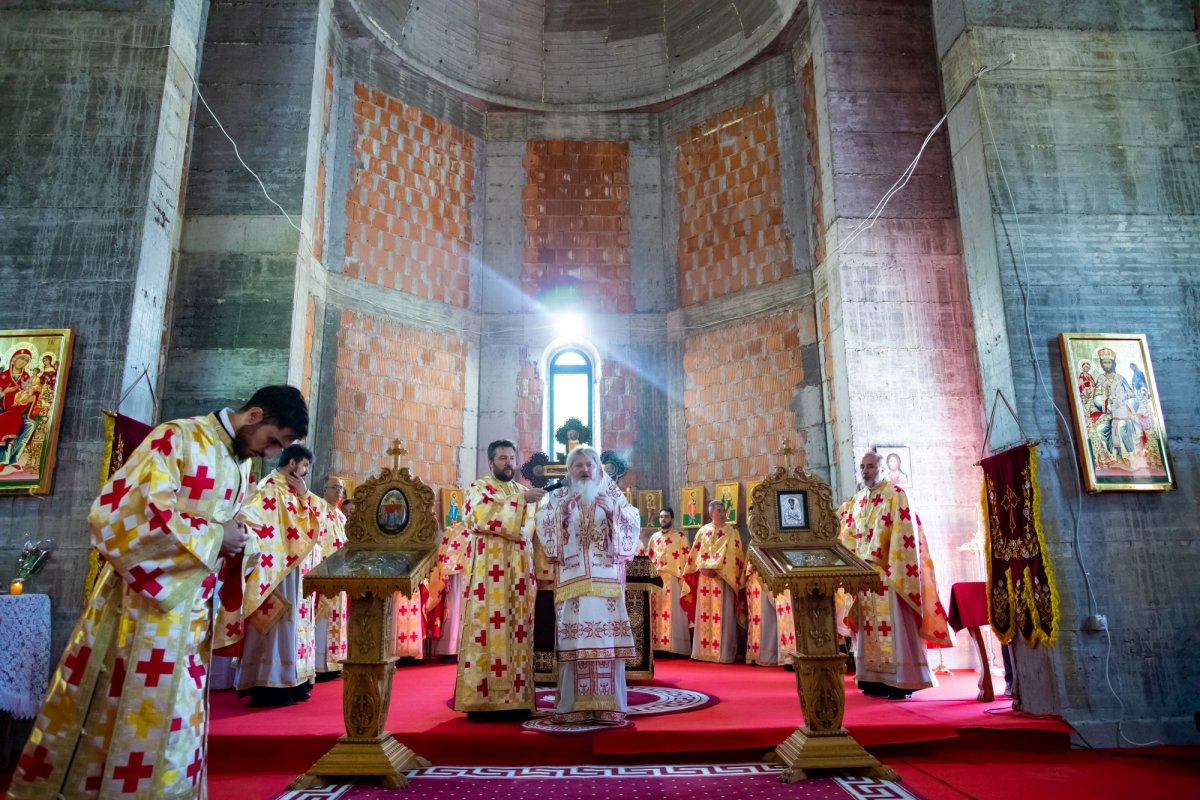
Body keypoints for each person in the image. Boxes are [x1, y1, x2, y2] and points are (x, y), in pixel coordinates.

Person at [11, 385, 307, 800]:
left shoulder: (238, 463)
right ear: (255, 415)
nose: (270, 453)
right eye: (273, 440)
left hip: (194, 617)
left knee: (180, 723)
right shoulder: (178, 438)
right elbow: (119, 513)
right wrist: (215, 536)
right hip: (144, 611)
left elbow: (233, 527)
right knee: (137, 715)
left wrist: (242, 544)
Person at [217, 444, 341, 706]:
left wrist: (305, 494)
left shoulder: (297, 492)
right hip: (277, 573)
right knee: (278, 627)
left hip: (299, 574)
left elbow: (325, 522)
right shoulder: (269, 488)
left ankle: (296, 682)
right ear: (293, 464)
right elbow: (250, 520)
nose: (306, 471)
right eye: (305, 466)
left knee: (296, 628)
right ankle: (271, 685)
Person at [536, 446, 639, 725]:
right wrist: (561, 516)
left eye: (589, 464)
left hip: (606, 583)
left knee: (607, 643)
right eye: (578, 465)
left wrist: (614, 513)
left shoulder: (613, 494)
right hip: (573, 583)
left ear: (598, 468)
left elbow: (633, 521)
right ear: (570, 470)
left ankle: (609, 706)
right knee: (575, 643)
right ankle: (572, 707)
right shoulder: (558, 497)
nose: (584, 470)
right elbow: (542, 525)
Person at [839, 451, 951, 699]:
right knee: (869, 629)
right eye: (862, 466)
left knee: (894, 628)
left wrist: (879, 559)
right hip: (863, 574)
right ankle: (873, 679)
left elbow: (903, 532)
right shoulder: (859, 500)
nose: (865, 471)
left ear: (881, 469)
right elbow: (849, 532)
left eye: (870, 466)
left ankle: (902, 681)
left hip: (888, 572)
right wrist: (850, 561)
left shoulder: (896, 495)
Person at [453, 440, 543, 717]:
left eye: (512, 458)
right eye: (502, 458)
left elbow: (532, 530)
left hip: (519, 575)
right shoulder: (479, 488)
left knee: (518, 630)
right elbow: (480, 517)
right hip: (488, 576)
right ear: (491, 462)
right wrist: (521, 503)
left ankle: (517, 700)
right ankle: (482, 702)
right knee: (485, 629)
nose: (508, 463)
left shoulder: (522, 491)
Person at [684, 500, 745, 663]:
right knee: (704, 614)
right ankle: (702, 652)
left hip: (723, 578)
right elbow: (695, 553)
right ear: (711, 513)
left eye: (723, 510)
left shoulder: (732, 532)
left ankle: (723, 653)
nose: (723, 513)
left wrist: (718, 569)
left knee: (723, 614)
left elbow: (735, 555)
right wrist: (702, 567)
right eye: (719, 510)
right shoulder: (702, 531)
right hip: (705, 579)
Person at [644, 508, 692, 656]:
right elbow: (649, 557)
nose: (663, 519)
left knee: (672, 613)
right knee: (656, 612)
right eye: (661, 517)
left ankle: (674, 648)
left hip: (672, 579)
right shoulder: (654, 538)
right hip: (656, 579)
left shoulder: (680, 537)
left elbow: (686, 559)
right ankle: (657, 646)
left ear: (672, 519)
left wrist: (682, 578)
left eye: (666, 516)